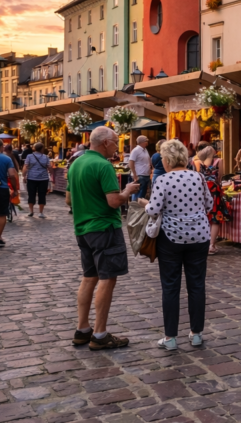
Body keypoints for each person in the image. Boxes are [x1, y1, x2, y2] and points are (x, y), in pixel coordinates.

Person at [68, 126, 140, 351]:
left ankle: (82, 329)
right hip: (104, 227)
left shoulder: (76, 163)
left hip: (83, 228)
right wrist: (127, 191)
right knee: (107, 278)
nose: (118, 146)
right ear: (105, 143)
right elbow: (114, 201)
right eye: (116, 141)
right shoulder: (103, 165)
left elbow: (68, 200)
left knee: (89, 277)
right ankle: (100, 334)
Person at [141, 140, 211, 351]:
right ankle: (196, 333)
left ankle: (170, 337)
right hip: (199, 236)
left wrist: (144, 204)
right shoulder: (198, 177)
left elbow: (154, 209)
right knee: (197, 285)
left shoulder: (163, 180)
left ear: (168, 159)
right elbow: (209, 204)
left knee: (170, 286)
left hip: (171, 238)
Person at [193, 145, 231, 255]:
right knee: (215, 218)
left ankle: (203, 243)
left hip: (202, 190)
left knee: (204, 216)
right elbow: (220, 177)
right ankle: (211, 245)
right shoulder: (219, 161)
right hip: (214, 190)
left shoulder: (197, 162)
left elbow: (198, 176)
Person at [23, 143, 53, 218]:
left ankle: (31, 211)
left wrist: (24, 176)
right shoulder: (45, 157)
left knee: (31, 194)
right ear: (42, 149)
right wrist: (51, 173)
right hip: (43, 178)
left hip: (31, 178)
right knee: (42, 195)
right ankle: (41, 212)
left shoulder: (29, 156)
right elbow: (49, 167)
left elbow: (25, 166)